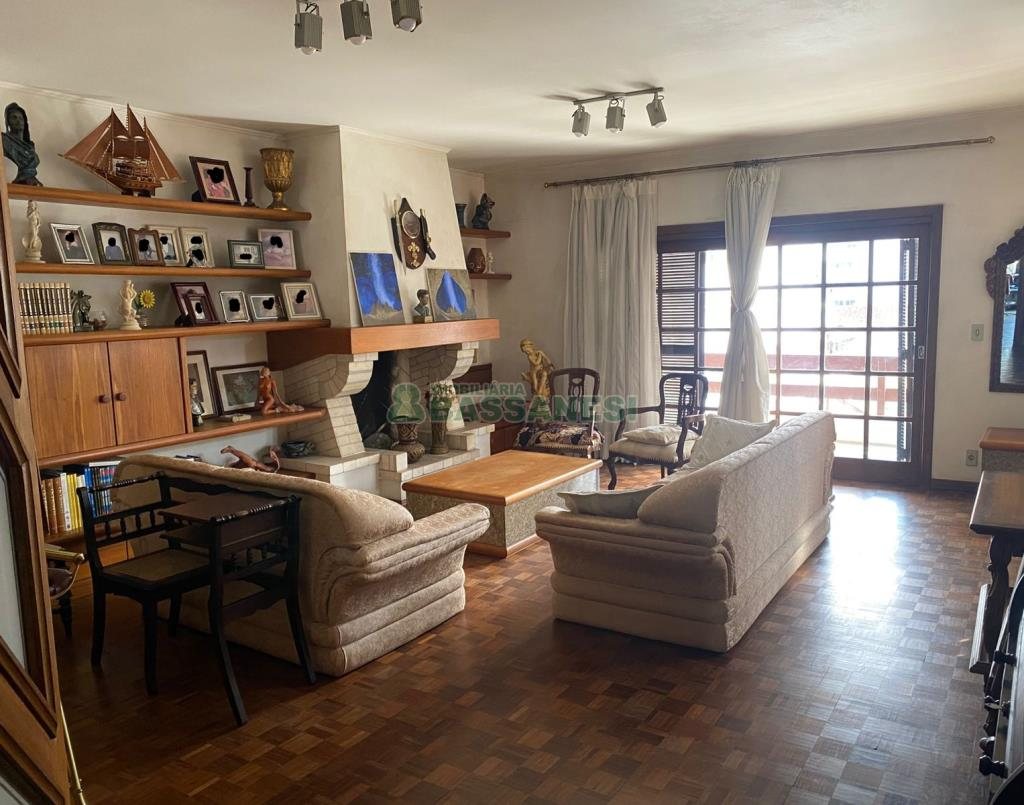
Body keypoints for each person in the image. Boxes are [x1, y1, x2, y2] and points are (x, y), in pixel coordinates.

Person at [2, 102, 41, 185]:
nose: (18, 121)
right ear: (8, 122)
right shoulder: (3, 140)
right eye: (14, 118)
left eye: (21, 118)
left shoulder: (30, 146)